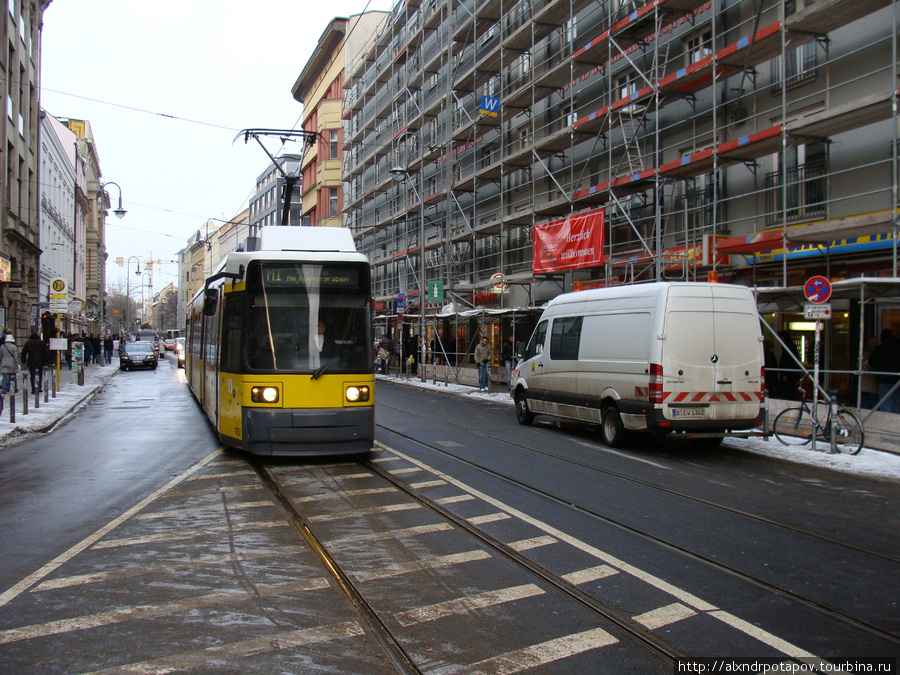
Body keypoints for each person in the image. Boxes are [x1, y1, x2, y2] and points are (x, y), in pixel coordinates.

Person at [868, 329, 900, 414]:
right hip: (897, 379)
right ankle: (896, 423)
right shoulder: (898, 347)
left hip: (884, 380)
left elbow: (871, 365)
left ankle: (886, 424)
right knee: (896, 403)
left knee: (886, 403)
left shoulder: (880, 349)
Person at [778, 330, 802, 400]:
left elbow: (787, 361)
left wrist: (784, 374)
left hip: (789, 375)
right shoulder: (791, 346)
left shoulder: (787, 347)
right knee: (789, 392)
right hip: (792, 374)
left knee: (788, 392)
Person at [861, 335, 880, 409]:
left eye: (875, 343)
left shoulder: (879, 352)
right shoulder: (866, 352)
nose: (873, 345)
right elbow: (859, 362)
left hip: (874, 384)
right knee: (864, 406)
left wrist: (869, 367)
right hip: (865, 384)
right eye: (871, 343)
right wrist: (861, 364)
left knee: (874, 405)